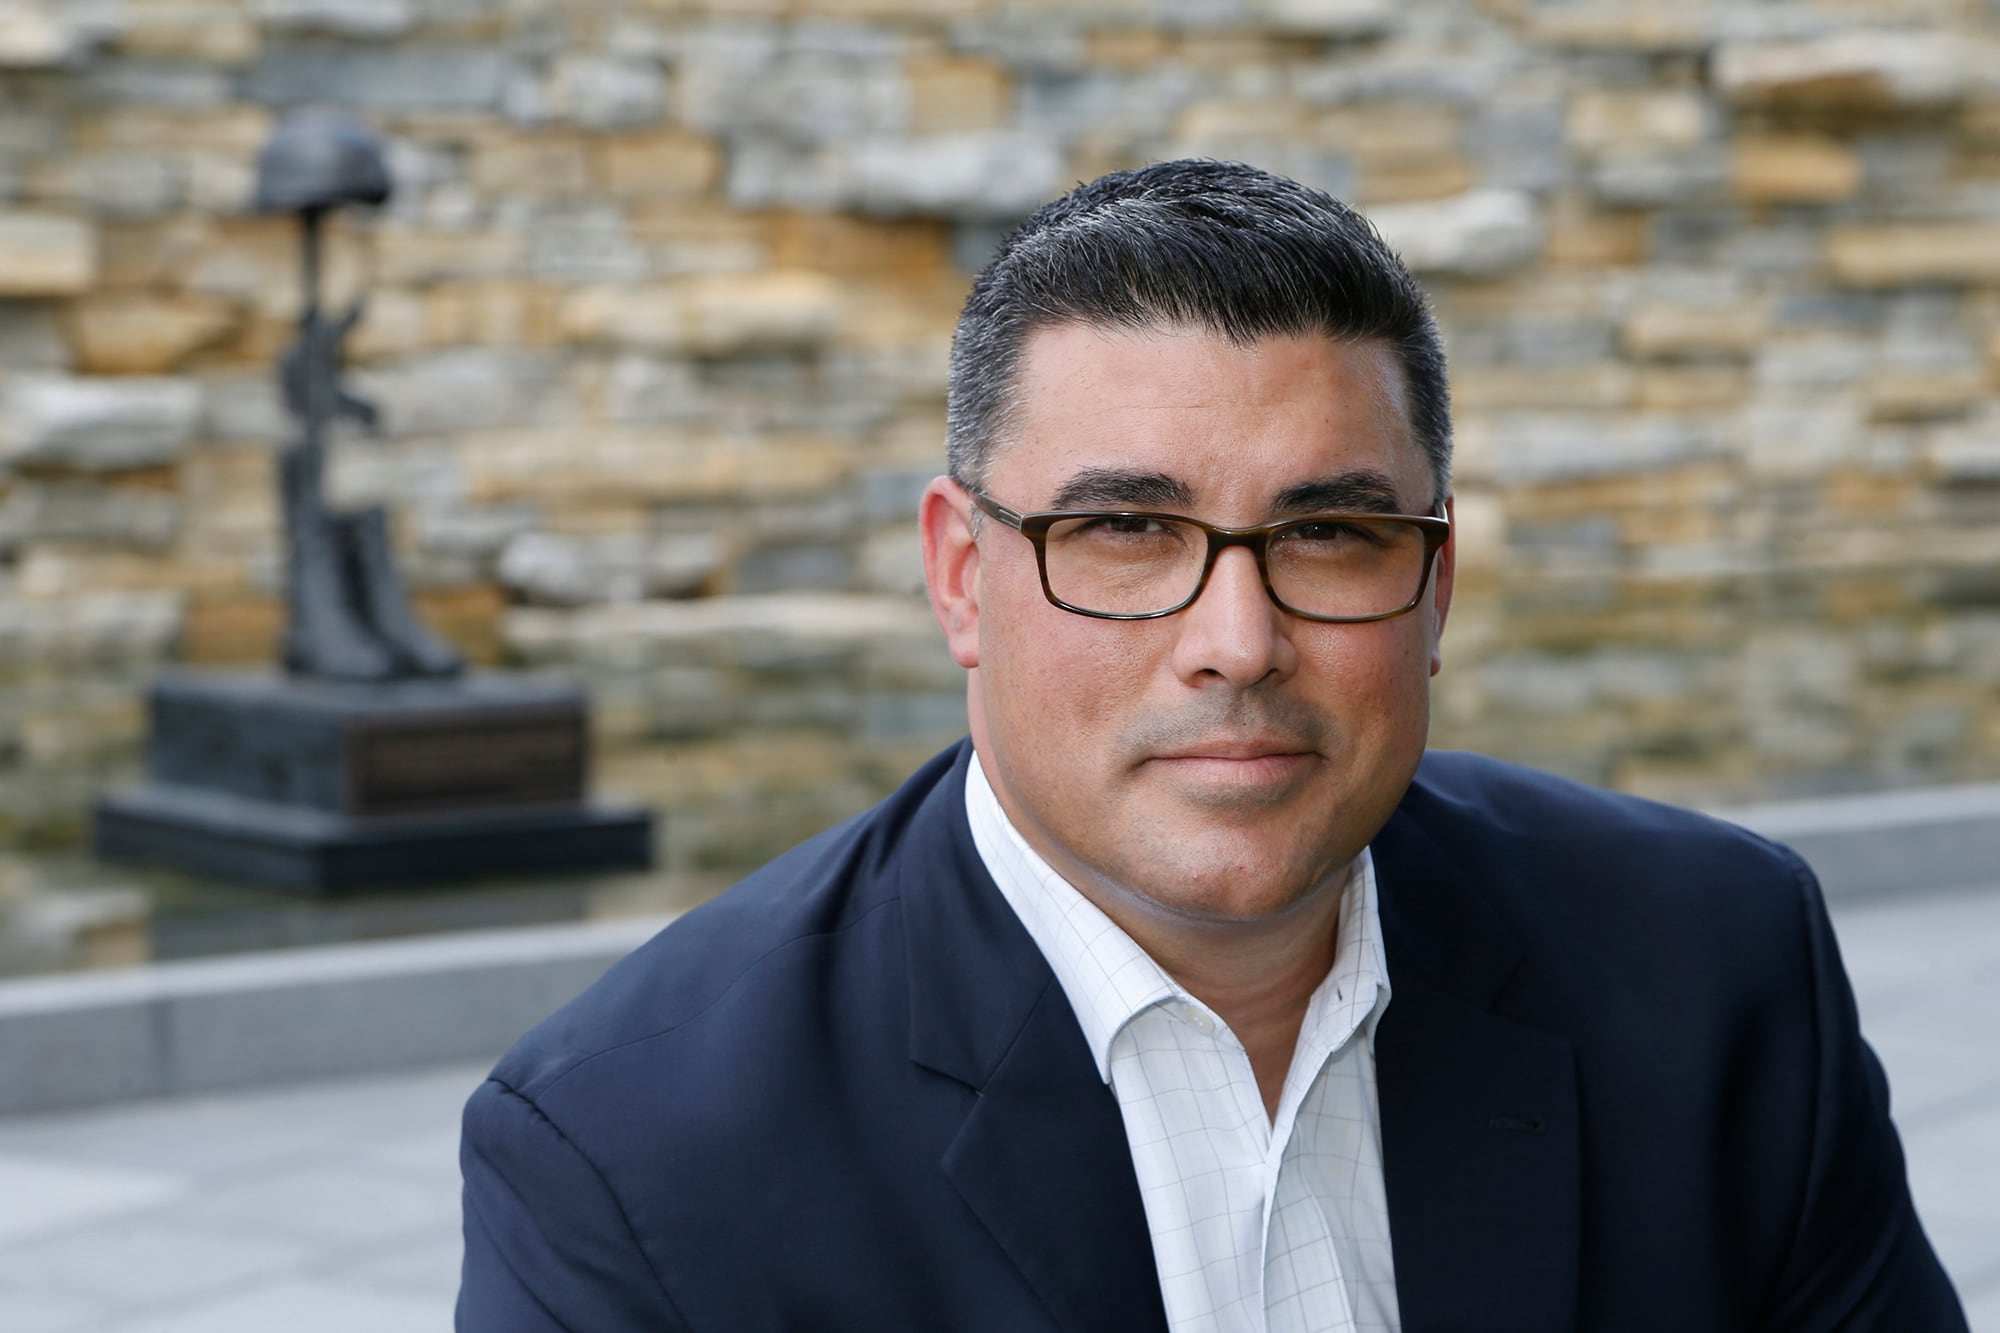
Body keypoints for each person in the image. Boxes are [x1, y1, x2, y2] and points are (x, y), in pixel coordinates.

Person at [457, 160, 1967, 1332]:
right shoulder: (628, 1151)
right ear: (962, 576)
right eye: (1124, 529)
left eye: (1328, 531)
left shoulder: (1721, 968)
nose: (1238, 638)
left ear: (1435, 584)